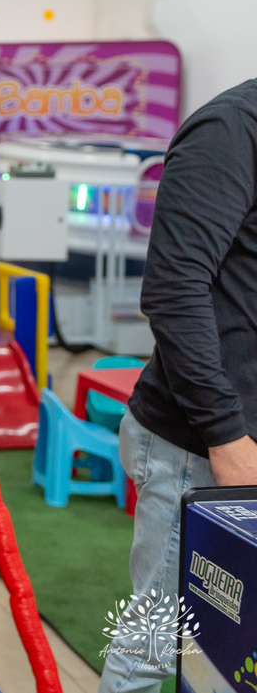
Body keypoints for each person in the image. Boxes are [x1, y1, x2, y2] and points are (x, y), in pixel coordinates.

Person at [96, 84, 257, 690]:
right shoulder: (233, 129)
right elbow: (173, 290)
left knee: (237, 647)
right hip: (204, 446)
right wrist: (226, 435)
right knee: (159, 643)